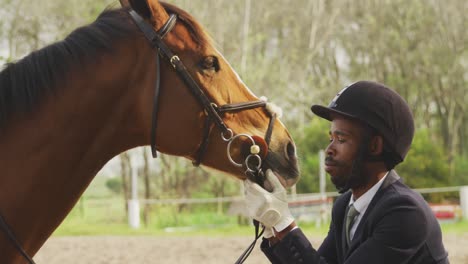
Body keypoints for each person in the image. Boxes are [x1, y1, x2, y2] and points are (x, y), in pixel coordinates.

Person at [244, 81, 449, 263]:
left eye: (341, 140)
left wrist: (283, 221)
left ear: (374, 146)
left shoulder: (405, 213)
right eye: (330, 138)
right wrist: (273, 230)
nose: (329, 149)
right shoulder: (344, 206)